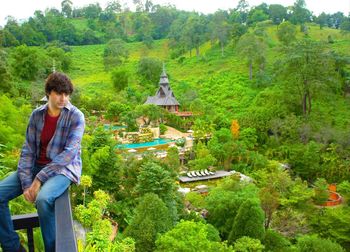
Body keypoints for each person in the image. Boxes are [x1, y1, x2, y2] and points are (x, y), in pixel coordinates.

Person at [0, 72, 85, 252]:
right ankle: (12, 247)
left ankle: (52, 249)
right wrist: (25, 184)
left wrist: (38, 179)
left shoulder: (76, 116)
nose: (64, 98)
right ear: (49, 93)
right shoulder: (36, 116)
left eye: (67, 94)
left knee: (44, 199)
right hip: (35, 166)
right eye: (59, 93)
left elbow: (69, 154)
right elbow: (28, 151)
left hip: (63, 169)